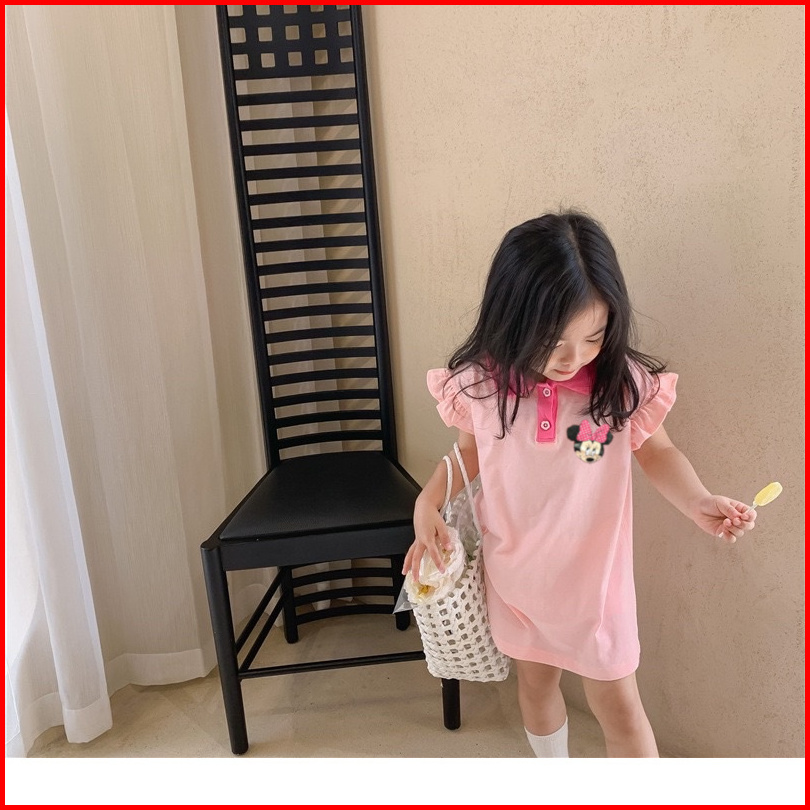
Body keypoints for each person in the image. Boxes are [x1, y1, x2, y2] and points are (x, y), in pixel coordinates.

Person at [403, 210, 757, 758]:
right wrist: (427, 502)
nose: (574, 359)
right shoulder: (480, 385)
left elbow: (657, 451)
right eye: (553, 342)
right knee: (535, 685)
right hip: (516, 575)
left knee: (619, 706)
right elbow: (469, 454)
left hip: (597, 585)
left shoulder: (620, 385)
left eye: (593, 337)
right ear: (512, 319)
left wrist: (698, 501)